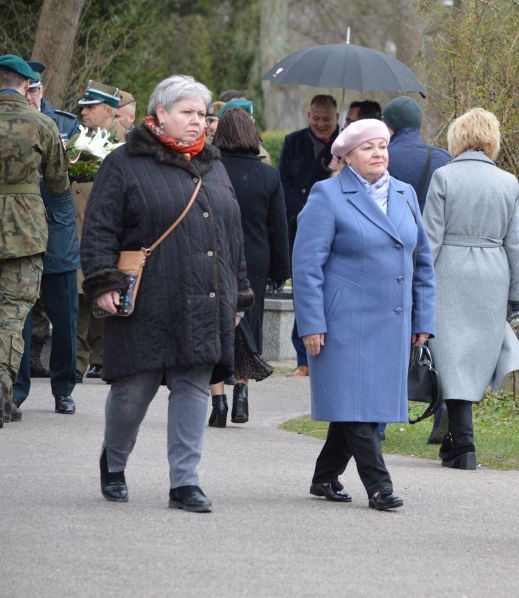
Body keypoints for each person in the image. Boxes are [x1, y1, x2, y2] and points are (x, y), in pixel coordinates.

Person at [80, 74, 253, 511]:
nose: (199, 122)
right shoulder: (123, 162)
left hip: (204, 297)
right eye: (188, 113)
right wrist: (103, 282)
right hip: (146, 298)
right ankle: (114, 462)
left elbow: (231, 234)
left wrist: (240, 294)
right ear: (160, 114)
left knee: (193, 387)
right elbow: (99, 228)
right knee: (132, 392)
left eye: (203, 115)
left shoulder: (213, 165)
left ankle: (185, 481)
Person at [293, 119, 436, 510]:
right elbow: (307, 266)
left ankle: (325, 477)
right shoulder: (328, 195)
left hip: (391, 320)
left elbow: (422, 262)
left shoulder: (406, 193)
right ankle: (379, 485)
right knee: (359, 404)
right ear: (348, 156)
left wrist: (423, 319)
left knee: (356, 401)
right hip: (343, 322)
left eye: (383, 146)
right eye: (368, 148)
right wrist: (311, 323)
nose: (378, 154)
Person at [423, 108, 519, 469]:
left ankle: (463, 441)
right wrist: (518, 294)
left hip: (450, 270)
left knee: (451, 357)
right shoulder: (508, 182)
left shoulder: (444, 177)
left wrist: (417, 285)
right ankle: (457, 441)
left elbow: (430, 239)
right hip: (492, 272)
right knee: (470, 358)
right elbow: (514, 244)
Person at [207, 107, 291, 426]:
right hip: (255, 258)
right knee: (247, 327)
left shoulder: (210, 170)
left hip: (215, 253)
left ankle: (218, 401)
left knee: (215, 327)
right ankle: (241, 392)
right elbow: (277, 228)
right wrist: (279, 271)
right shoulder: (269, 176)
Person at [0, 54, 70, 426]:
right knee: (12, 313)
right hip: (23, 232)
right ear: (27, 85)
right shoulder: (41, 124)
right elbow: (59, 184)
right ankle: (2, 387)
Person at [12, 62, 83, 417]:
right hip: (19, 236)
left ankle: (63, 388)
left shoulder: (66, 123)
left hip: (57, 233)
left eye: (37, 89)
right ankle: (16, 390)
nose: (33, 95)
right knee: (18, 317)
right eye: (29, 88)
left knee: (65, 317)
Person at [382, 95, 452, 443]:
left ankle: (377, 423)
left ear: (389, 127)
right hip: (431, 259)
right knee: (427, 339)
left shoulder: (382, 159)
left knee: (388, 340)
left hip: (390, 258)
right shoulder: (442, 159)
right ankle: (441, 411)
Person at [279, 94, 339, 378]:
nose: (321, 124)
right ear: (308, 115)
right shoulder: (293, 142)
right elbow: (284, 183)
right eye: (316, 118)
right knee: (304, 289)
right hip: (300, 224)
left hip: (337, 226)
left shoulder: (346, 144)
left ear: (336, 119)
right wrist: (301, 213)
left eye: (326, 119)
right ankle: (303, 358)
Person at [72, 79, 128, 384]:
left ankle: (101, 358)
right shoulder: (79, 140)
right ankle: (80, 362)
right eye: (83, 107)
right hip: (78, 232)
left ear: (108, 110)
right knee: (81, 301)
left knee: (103, 299)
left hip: (107, 237)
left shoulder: (123, 146)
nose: (84, 113)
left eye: (90, 107)